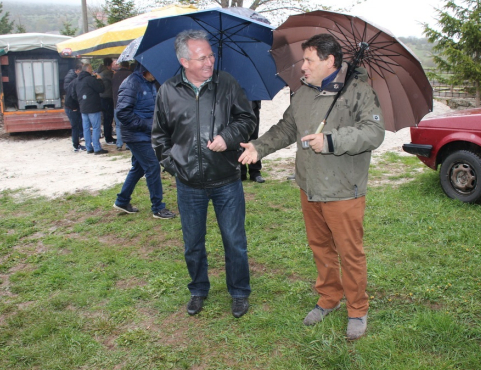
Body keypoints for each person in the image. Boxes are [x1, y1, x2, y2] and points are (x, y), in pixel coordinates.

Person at [239, 34, 385, 340]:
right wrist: (258, 147)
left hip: (343, 190)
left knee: (349, 253)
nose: (302, 66)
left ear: (329, 61)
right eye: (303, 60)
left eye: (309, 60)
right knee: (321, 248)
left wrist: (331, 140)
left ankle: (357, 308)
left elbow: (373, 133)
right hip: (310, 186)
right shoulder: (303, 93)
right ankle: (329, 298)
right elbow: (286, 128)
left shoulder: (358, 91)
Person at [152, 30, 256, 318]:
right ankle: (198, 289)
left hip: (226, 180)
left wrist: (229, 137)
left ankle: (239, 292)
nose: (210, 62)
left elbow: (247, 118)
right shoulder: (168, 91)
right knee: (192, 243)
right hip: (188, 185)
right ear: (184, 61)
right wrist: (174, 167)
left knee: (235, 241)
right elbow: (159, 137)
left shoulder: (227, 84)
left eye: (211, 55)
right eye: (202, 58)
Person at [113, 63, 176, 220]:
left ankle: (122, 200)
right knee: (152, 166)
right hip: (136, 135)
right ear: (144, 69)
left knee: (139, 168)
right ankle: (158, 207)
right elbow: (122, 112)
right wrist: (147, 124)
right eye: (154, 70)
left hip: (146, 134)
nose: (157, 74)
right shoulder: (131, 83)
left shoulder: (149, 83)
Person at [73, 63, 108, 155]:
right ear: (88, 69)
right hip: (93, 107)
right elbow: (101, 89)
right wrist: (100, 80)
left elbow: (73, 94)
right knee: (96, 127)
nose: (92, 70)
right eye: (91, 69)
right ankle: (97, 148)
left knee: (86, 128)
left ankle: (89, 147)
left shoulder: (77, 80)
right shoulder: (90, 79)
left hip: (83, 107)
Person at [240, 100, 265, 183]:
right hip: (235, 106)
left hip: (252, 105)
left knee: (254, 139)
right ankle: (240, 171)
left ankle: (255, 172)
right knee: (238, 140)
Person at [63, 62, 85, 152]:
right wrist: (74, 106)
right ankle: (76, 145)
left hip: (71, 106)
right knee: (75, 126)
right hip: (71, 107)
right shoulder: (75, 81)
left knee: (76, 125)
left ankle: (77, 143)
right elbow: (72, 95)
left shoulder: (75, 80)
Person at [112, 61, 133, 151]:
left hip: (116, 103)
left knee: (118, 125)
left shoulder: (115, 75)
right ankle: (128, 144)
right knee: (128, 124)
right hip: (128, 104)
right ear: (128, 66)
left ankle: (119, 144)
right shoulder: (131, 75)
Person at [99, 57, 116, 145]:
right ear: (110, 64)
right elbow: (115, 81)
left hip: (102, 97)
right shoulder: (108, 73)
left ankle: (108, 136)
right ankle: (108, 138)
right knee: (108, 119)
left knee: (106, 118)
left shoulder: (100, 71)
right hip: (108, 97)